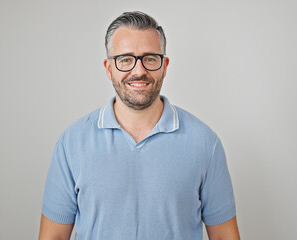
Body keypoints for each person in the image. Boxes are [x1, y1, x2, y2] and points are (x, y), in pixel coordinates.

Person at [39, 11, 240, 240]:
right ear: (108, 68)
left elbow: (225, 236)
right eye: (125, 59)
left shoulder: (205, 143)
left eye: (150, 58)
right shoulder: (72, 143)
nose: (139, 70)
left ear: (164, 66)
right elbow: (52, 236)